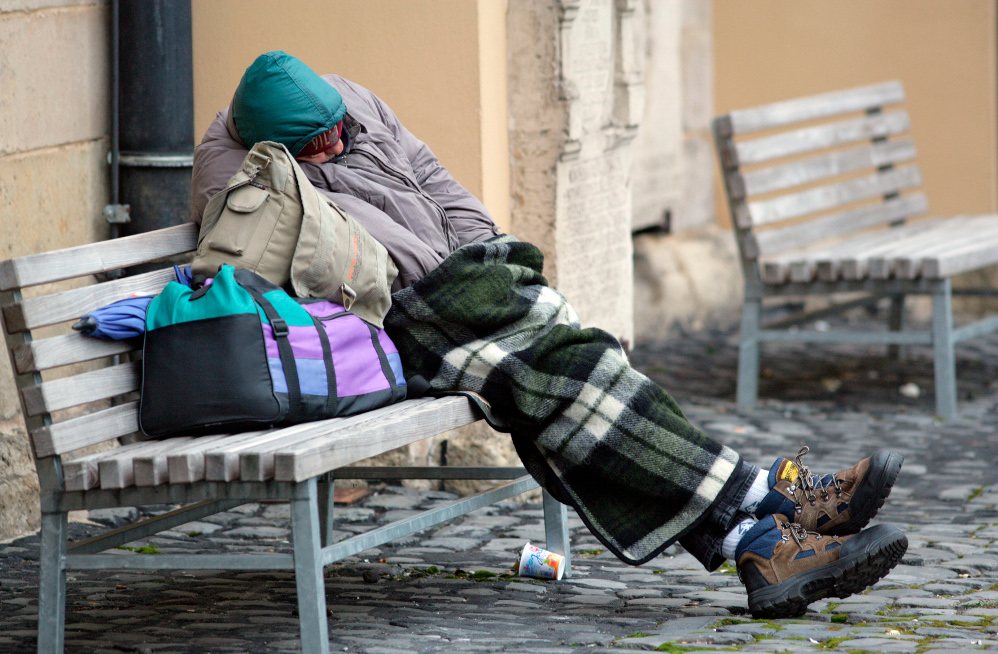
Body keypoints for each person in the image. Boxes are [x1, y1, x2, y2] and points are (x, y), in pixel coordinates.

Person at [192, 51, 908, 619]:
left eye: (339, 129)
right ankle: (773, 501)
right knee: (577, 375)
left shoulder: (348, 102)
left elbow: (437, 182)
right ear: (276, 145)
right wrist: (449, 281)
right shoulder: (244, 175)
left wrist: (484, 255)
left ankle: (757, 543)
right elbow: (347, 268)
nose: (339, 143)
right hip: (399, 325)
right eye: (319, 145)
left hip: (470, 285)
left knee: (577, 386)